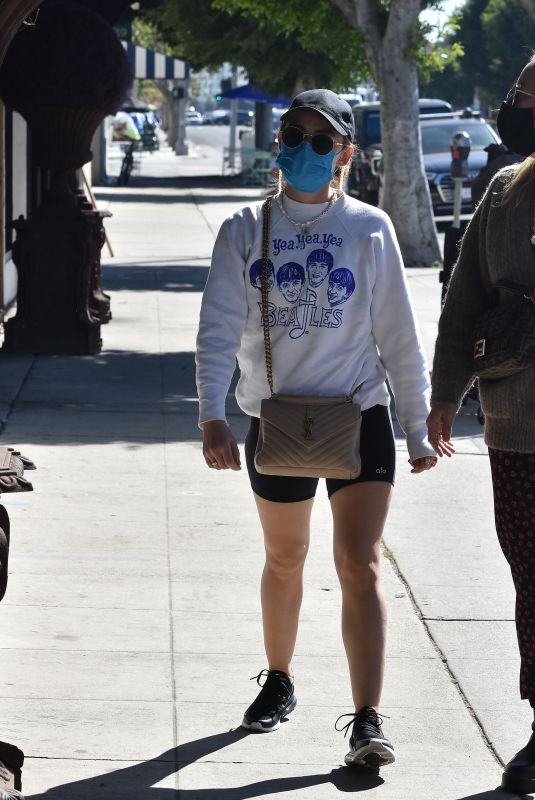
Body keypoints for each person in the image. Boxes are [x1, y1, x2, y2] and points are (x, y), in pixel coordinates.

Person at [196, 88, 437, 769]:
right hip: (275, 420)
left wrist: (416, 427)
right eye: (292, 136)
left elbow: (398, 336)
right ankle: (279, 679)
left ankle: (365, 720)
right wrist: (213, 414)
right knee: (285, 557)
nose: (304, 150)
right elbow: (216, 330)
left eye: (321, 140)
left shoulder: (369, 228)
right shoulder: (244, 228)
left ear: (345, 155)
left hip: (357, 414)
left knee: (357, 564)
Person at [427, 57, 535, 796]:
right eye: (521, 96)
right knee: (531, 577)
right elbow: (463, 300)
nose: (518, 108)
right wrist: (442, 395)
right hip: (516, 427)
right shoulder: (503, 193)